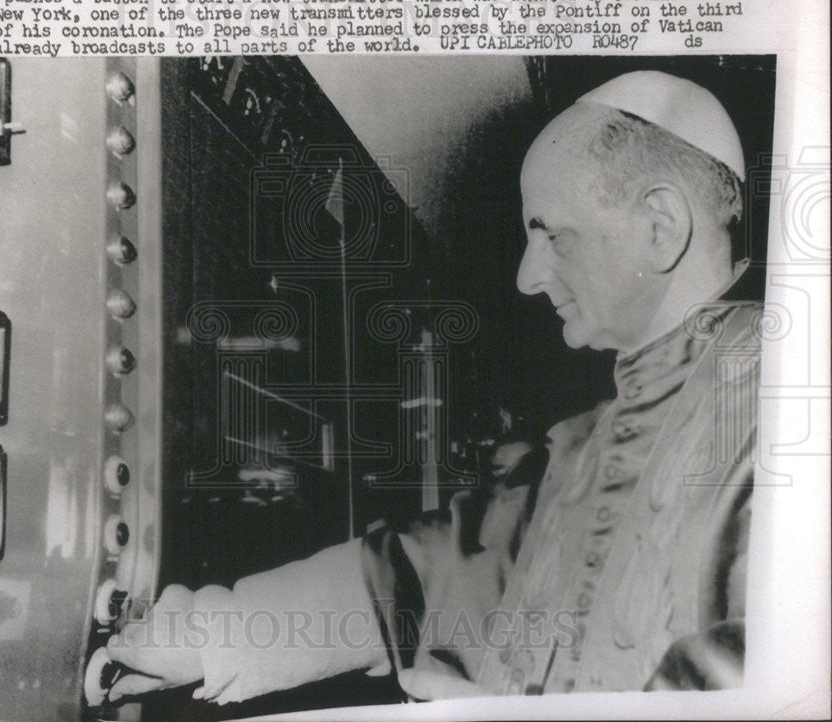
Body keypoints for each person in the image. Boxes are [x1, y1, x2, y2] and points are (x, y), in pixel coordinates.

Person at [92, 70, 762, 705]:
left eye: (551, 235)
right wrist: (221, 632)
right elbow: (422, 571)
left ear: (660, 227)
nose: (529, 276)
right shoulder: (586, 449)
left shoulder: (786, 400)